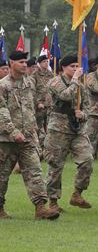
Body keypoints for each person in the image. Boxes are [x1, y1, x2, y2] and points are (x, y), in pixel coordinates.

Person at [0, 51, 59, 220]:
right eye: (20, 62)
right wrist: (13, 131)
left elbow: (31, 109)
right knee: (2, 176)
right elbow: (2, 111)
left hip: (28, 137)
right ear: (11, 63)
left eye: (26, 62)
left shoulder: (29, 83)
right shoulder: (3, 85)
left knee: (35, 171)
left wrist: (34, 131)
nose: (25, 65)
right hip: (7, 139)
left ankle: (41, 208)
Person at [45, 54, 94, 213]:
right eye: (71, 66)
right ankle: (53, 201)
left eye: (76, 66)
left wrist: (83, 115)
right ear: (63, 68)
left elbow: (88, 106)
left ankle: (77, 193)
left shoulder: (81, 86)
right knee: (55, 165)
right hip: (59, 130)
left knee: (87, 159)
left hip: (77, 129)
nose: (75, 69)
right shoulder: (55, 82)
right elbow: (65, 95)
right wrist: (75, 81)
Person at [31, 55, 53, 148]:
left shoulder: (51, 74)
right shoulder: (34, 75)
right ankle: (38, 148)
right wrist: (37, 103)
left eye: (47, 61)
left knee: (50, 128)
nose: (46, 63)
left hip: (49, 105)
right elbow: (32, 91)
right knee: (38, 128)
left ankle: (47, 149)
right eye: (44, 61)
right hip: (39, 106)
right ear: (39, 63)